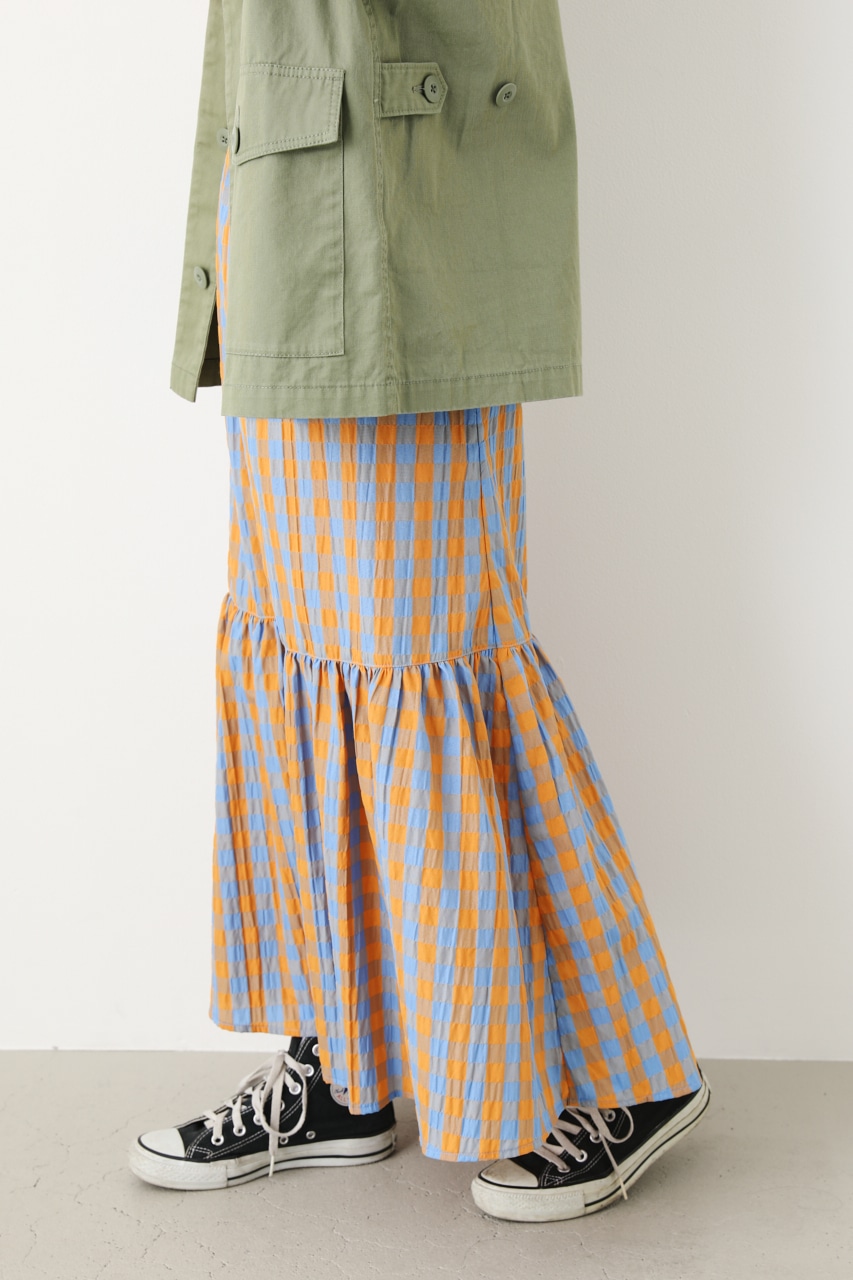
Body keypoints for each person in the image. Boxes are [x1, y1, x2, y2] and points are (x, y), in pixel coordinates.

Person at [129, 1, 711, 1221]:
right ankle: (345, 1063)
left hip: (396, 210)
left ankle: (630, 1069)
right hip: (283, 203)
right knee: (300, 640)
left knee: (432, 660)